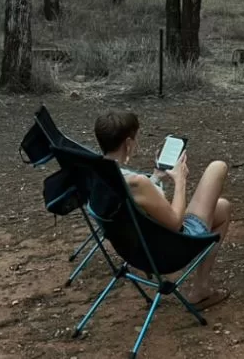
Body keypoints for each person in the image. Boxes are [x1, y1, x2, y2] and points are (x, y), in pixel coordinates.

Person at [94, 111, 231, 310]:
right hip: (169, 248)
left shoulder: (99, 173)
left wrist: (157, 176)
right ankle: (200, 288)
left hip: (134, 249)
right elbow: (176, 222)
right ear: (129, 143)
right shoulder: (137, 183)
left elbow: (139, 201)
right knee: (218, 167)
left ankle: (201, 288)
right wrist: (180, 180)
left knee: (223, 208)